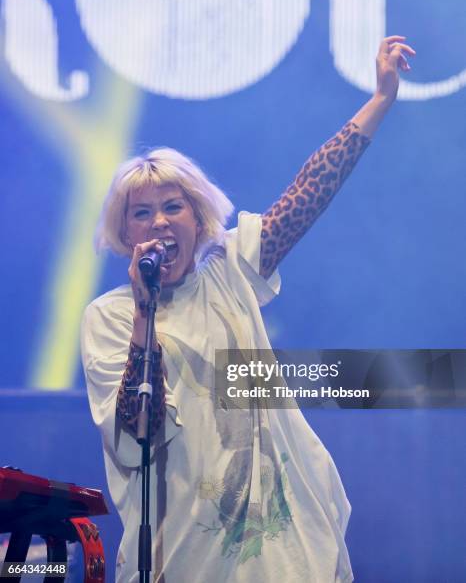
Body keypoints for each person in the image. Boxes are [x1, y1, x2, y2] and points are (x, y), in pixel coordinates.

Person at [81, 36, 415, 583]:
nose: (160, 222)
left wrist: (379, 101)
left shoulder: (230, 268)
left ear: (199, 217)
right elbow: (138, 428)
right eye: (142, 213)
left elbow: (309, 191)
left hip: (277, 542)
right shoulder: (110, 317)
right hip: (182, 545)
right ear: (124, 232)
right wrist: (146, 313)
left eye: (173, 207)